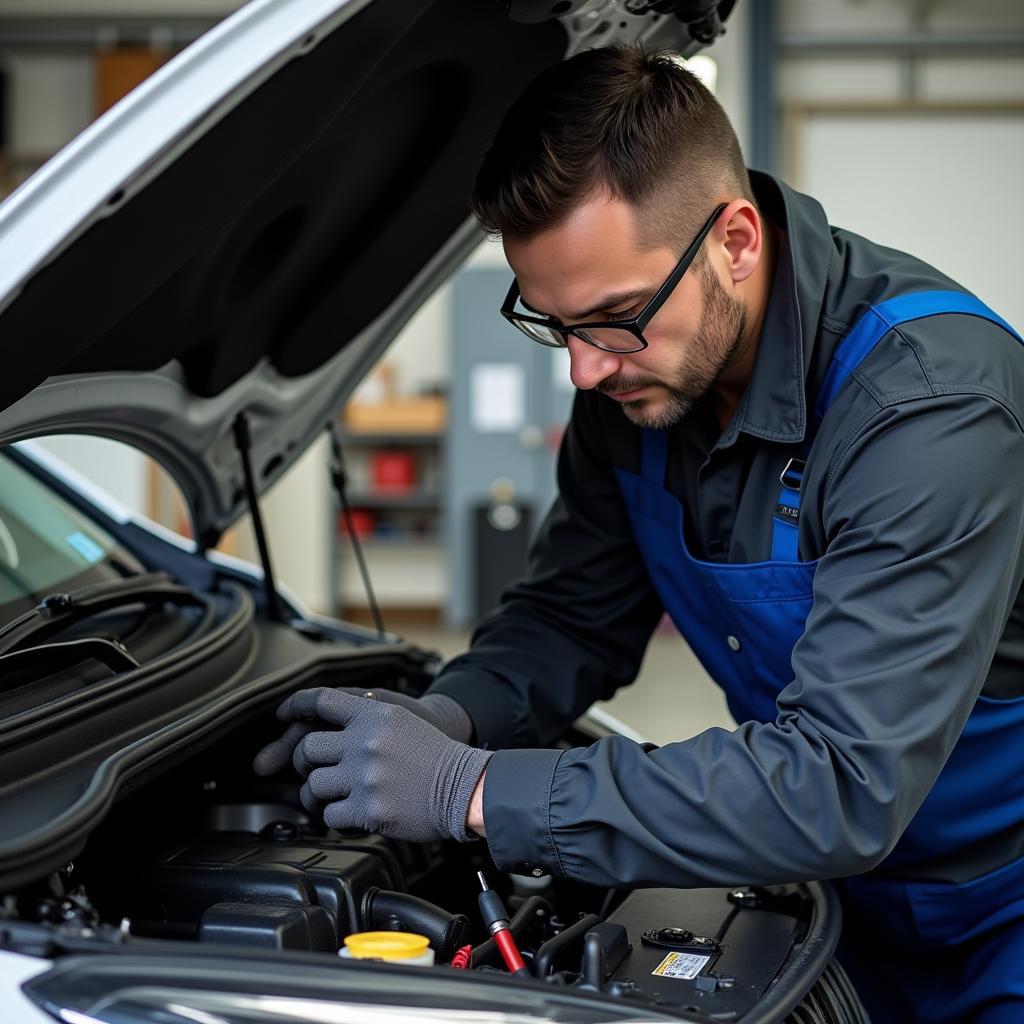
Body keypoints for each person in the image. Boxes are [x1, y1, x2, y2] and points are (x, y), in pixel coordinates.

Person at [254, 45, 1024, 1022]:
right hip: (834, 895)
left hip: (1002, 903)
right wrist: (449, 718)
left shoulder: (925, 410)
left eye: (615, 318)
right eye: (554, 323)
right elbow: (570, 619)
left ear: (736, 242)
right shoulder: (638, 386)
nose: (582, 373)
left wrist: (475, 788)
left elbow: (838, 784)